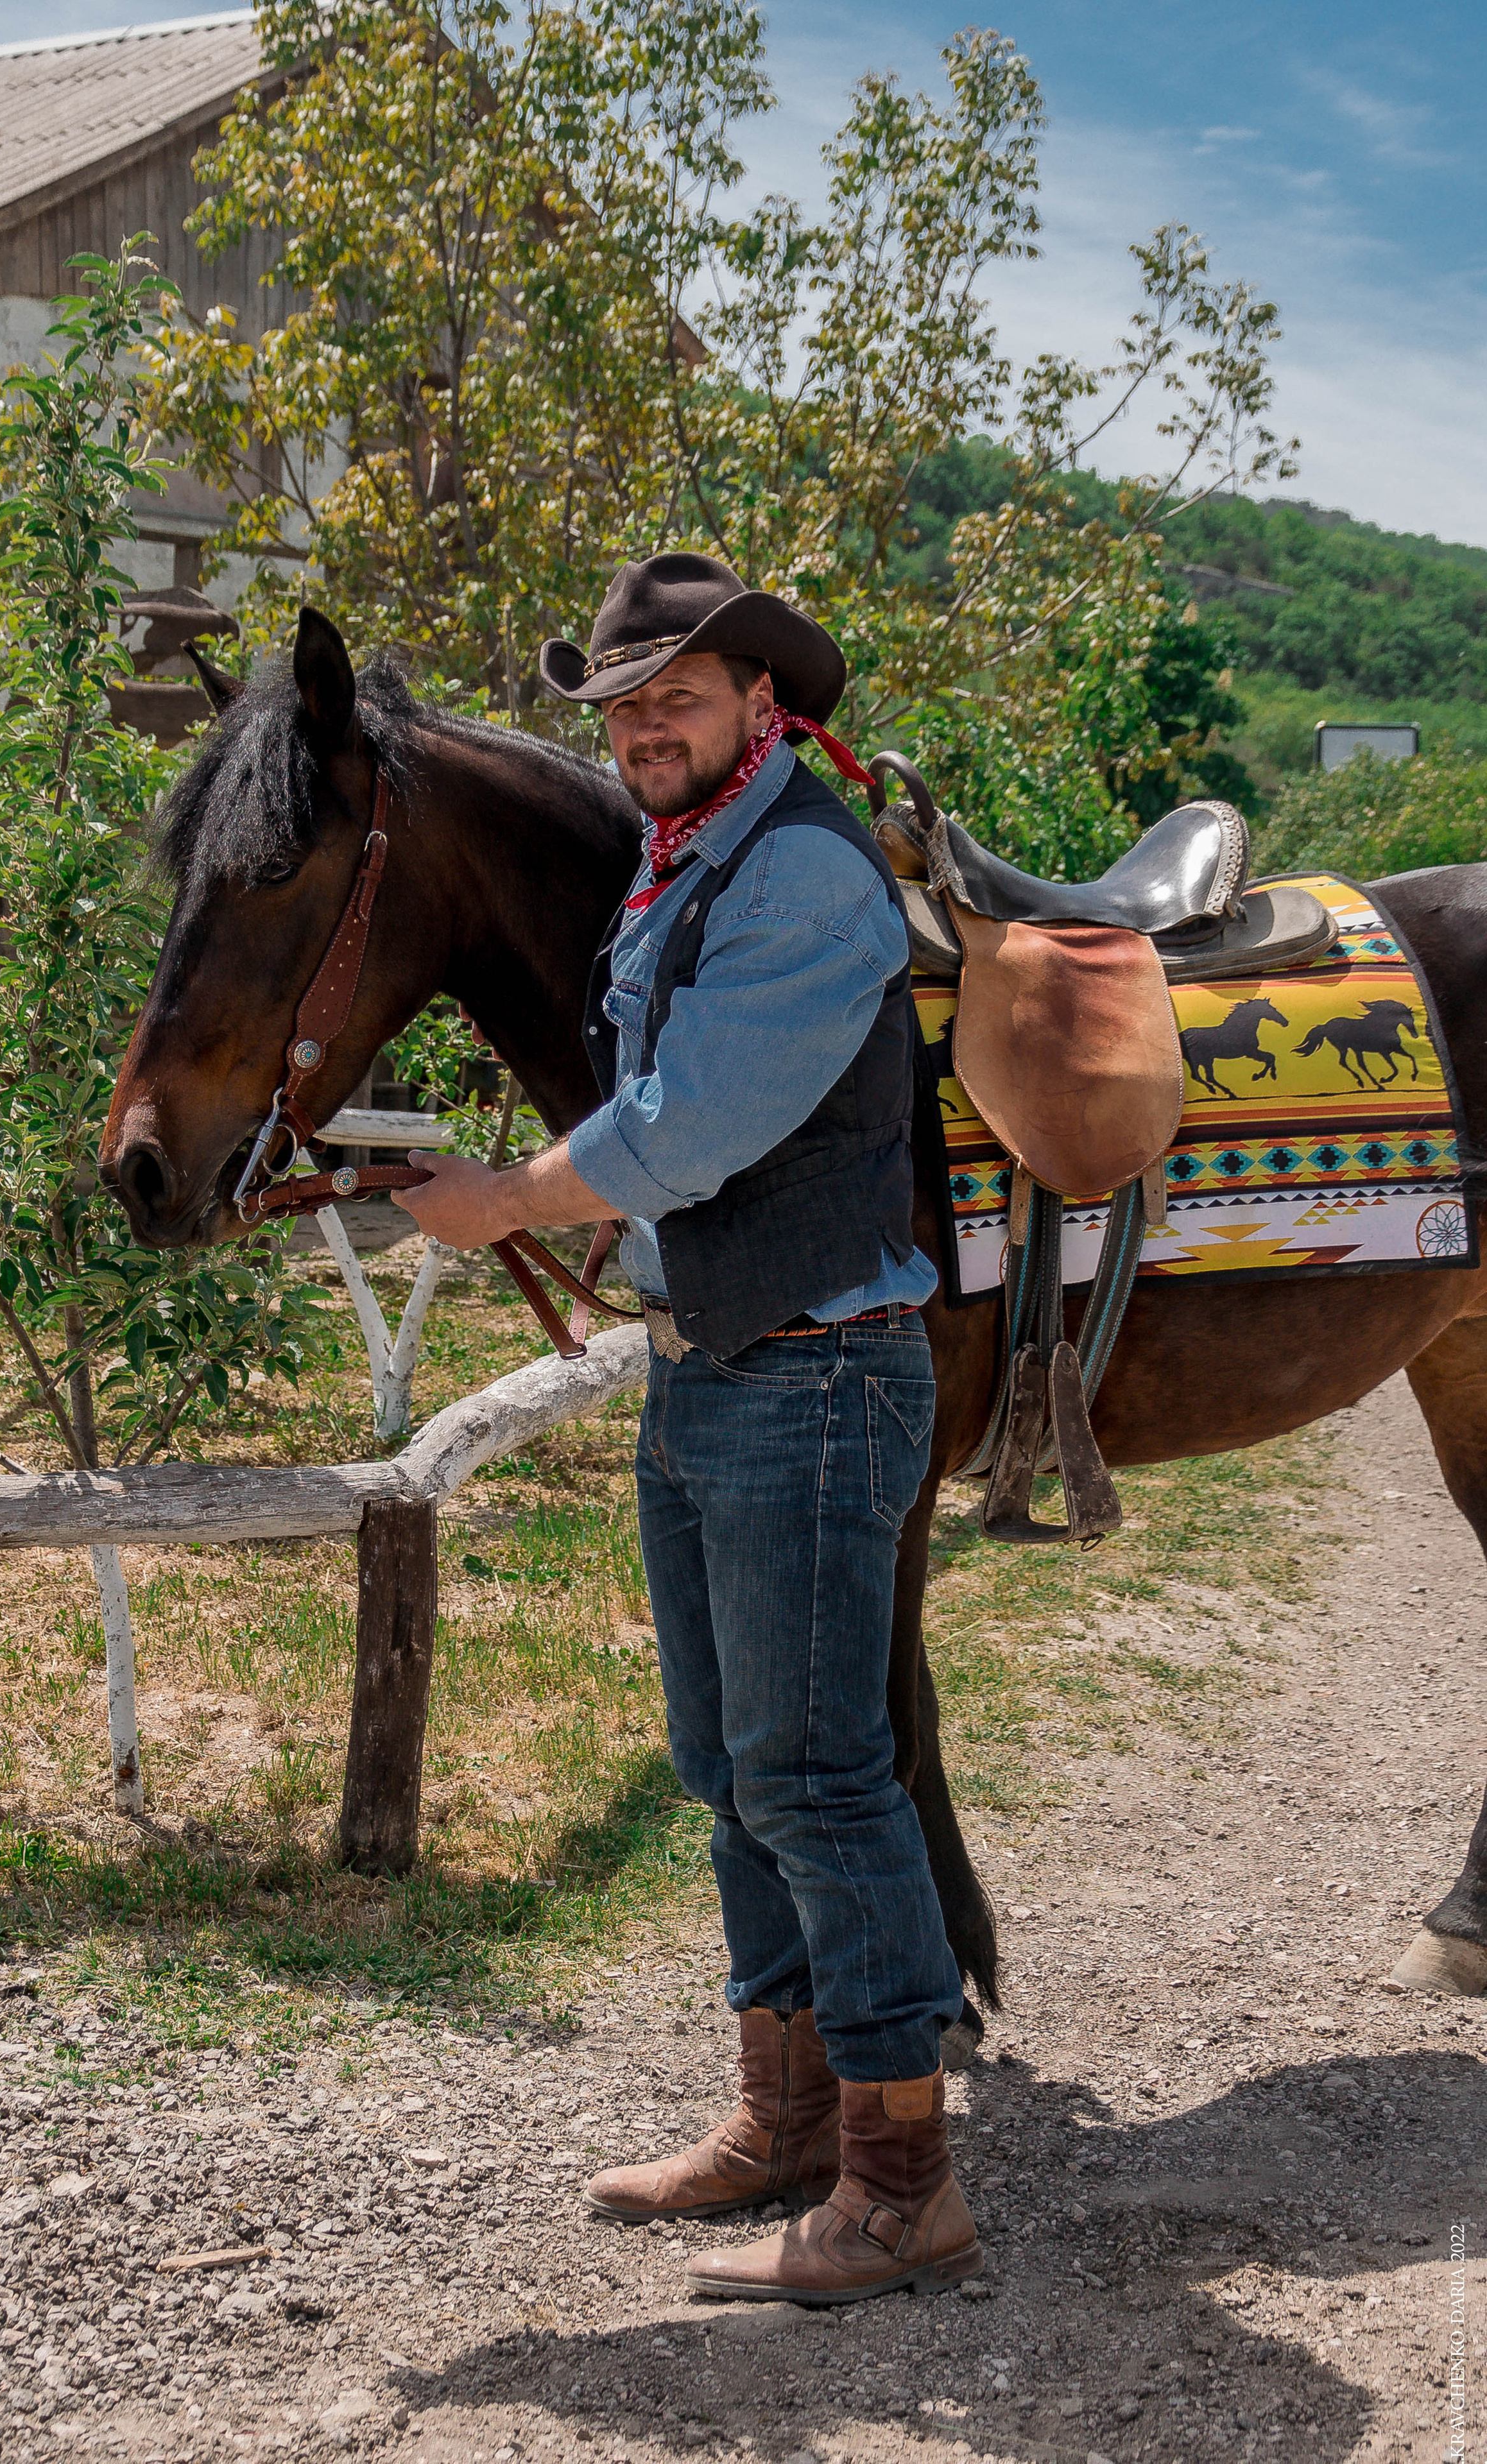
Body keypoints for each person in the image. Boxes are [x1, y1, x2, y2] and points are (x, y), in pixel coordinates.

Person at [399, 552, 981, 2306]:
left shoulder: (801, 874)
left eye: (681, 696)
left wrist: (510, 1195)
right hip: (725, 1363)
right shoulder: (690, 863)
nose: (647, 726)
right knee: (732, 1769)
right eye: (625, 704)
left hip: (811, 1376)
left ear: (761, 707)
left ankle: (902, 2182)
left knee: (812, 1773)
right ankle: (785, 2114)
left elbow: (689, 1124)